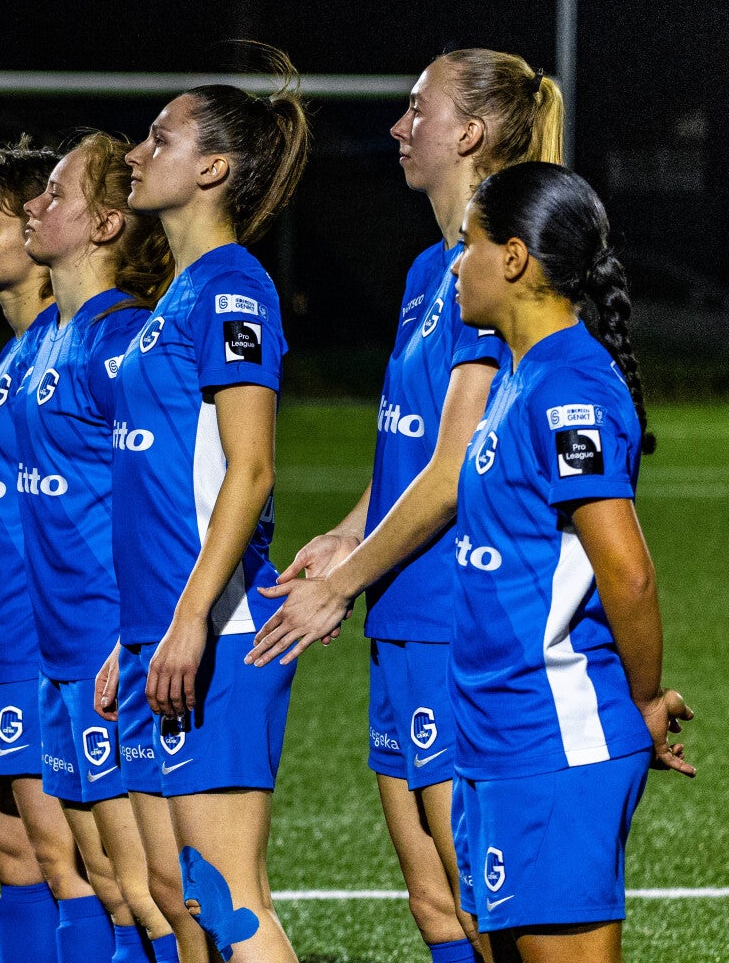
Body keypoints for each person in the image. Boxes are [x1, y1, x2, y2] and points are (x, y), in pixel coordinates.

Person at [245, 50, 568, 962]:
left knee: (480, 898)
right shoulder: (434, 267)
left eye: (417, 108)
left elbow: (459, 467)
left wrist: (341, 583)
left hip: (451, 616)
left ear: (467, 133)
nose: (398, 126)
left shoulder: (495, 266)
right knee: (433, 904)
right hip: (402, 608)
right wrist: (347, 531)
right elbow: (414, 449)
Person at [443, 161, 693, 959]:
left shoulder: (569, 387)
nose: (456, 265)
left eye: (468, 245)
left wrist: (646, 697)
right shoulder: (523, 376)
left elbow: (629, 570)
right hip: (501, 732)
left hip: (555, 741)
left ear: (513, 259)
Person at [105, 54, 310, 963]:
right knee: (185, 899)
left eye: (161, 137)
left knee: (228, 903)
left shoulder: (232, 287)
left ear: (214, 169)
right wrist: (140, 634)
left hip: (219, 632)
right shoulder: (177, 296)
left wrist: (189, 618)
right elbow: (159, 491)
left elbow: (252, 469)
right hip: (171, 629)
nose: (138, 151)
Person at [19, 134, 196, 963]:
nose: (33, 205)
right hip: (62, 647)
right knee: (108, 885)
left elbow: (174, 489)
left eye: (54, 193)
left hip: (109, 640)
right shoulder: (59, 334)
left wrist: (145, 631)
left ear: (106, 224)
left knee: (155, 896)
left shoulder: (117, 338)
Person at [0, 138, 87, 963]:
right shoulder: (16, 354)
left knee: (74, 867)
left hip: (43, 646)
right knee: (18, 862)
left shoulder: (71, 347)